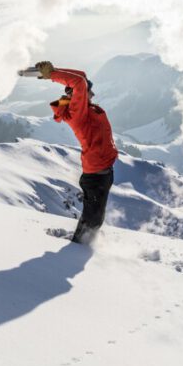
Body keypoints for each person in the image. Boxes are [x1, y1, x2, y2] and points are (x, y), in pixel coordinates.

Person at [34, 61, 119, 244]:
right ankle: (78, 248)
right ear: (77, 97)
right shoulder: (77, 114)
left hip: (103, 172)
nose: (93, 93)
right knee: (93, 219)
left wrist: (54, 71)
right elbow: (79, 82)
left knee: (95, 218)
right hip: (96, 175)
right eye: (89, 91)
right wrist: (53, 76)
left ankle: (83, 242)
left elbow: (81, 77)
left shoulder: (84, 109)